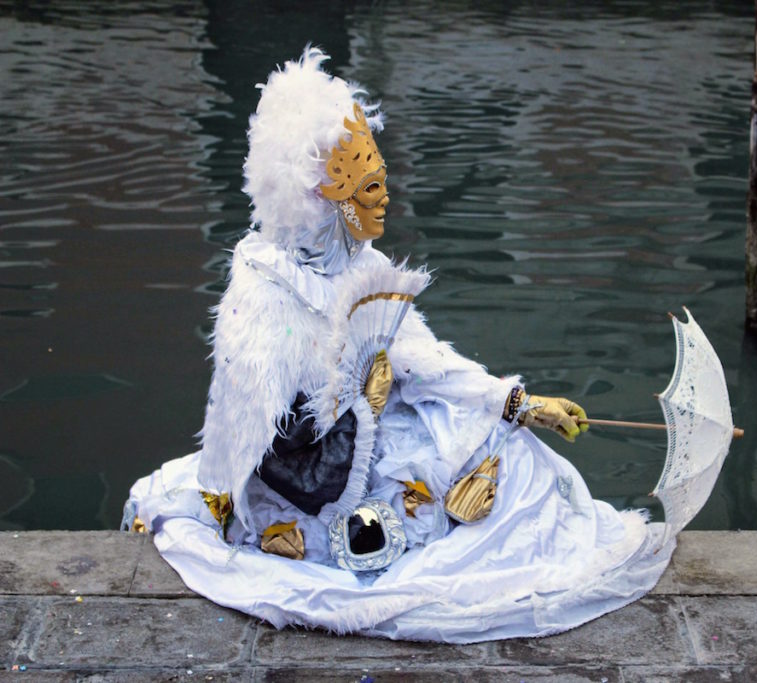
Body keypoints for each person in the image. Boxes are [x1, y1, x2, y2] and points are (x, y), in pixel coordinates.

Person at [125, 47, 674, 643]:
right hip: (317, 482)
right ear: (325, 200)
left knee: (508, 450)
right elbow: (256, 437)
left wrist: (516, 403)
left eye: (379, 177)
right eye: (369, 185)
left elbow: (424, 358)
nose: (385, 195)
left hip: (375, 428)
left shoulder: (368, 266)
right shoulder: (266, 293)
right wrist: (363, 406)